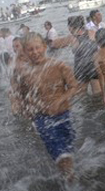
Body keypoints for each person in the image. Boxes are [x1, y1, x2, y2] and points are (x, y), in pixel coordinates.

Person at [17, 33, 80, 180]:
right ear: (25, 52)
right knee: (59, 152)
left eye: (37, 48)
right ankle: (70, 179)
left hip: (63, 114)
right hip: (42, 118)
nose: (35, 52)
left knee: (68, 149)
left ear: (44, 47)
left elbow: (74, 87)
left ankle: (67, 174)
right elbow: (22, 95)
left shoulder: (59, 66)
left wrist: (60, 100)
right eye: (30, 49)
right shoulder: (25, 73)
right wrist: (26, 110)